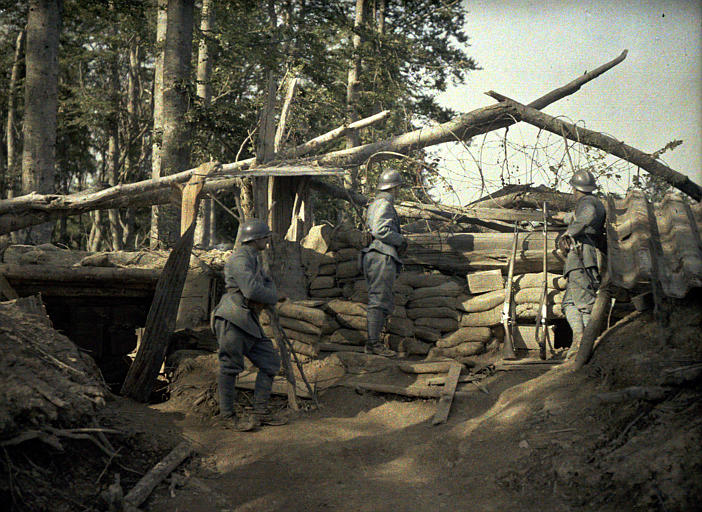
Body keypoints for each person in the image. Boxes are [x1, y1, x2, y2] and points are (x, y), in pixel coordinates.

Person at [211, 219, 287, 431]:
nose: (267, 241)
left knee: (270, 362)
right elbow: (252, 291)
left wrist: (269, 291)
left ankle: (260, 412)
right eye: (265, 237)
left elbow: (266, 282)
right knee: (230, 367)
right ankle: (227, 416)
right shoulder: (239, 259)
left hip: (247, 319)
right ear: (256, 239)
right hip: (233, 318)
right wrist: (273, 295)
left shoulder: (254, 258)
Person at [554, 170, 606, 360]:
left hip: (582, 256)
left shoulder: (588, 203)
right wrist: (564, 217)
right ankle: (579, 338)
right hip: (582, 256)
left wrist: (569, 233)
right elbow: (581, 217)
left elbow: (585, 217)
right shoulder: (592, 202)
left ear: (576, 189)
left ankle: (584, 345)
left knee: (584, 303)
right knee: (569, 302)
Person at [360, 169, 408, 357]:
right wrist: (401, 240)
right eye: (397, 188)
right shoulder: (384, 204)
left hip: (378, 255)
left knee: (381, 299)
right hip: (381, 255)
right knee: (378, 299)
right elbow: (381, 230)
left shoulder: (376, 203)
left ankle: (375, 343)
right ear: (393, 188)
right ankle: (373, 345)